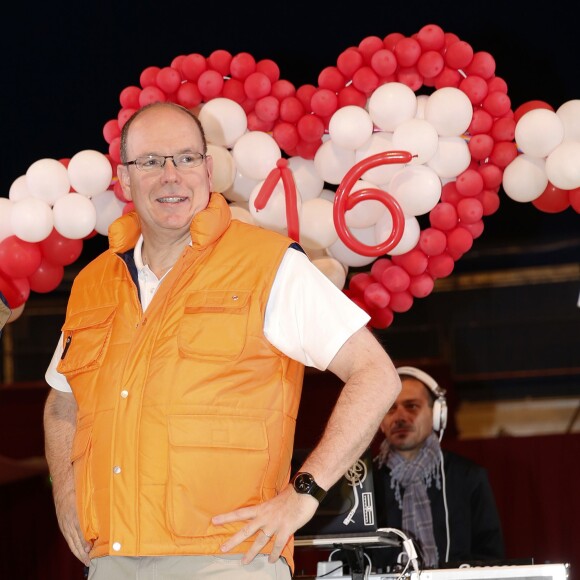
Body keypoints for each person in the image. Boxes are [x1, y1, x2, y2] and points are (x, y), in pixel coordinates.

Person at [43, 101, 402, 580]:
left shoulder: (267, 264)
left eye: (186, 158)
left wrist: (303, 496)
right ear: (124, 180)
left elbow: (376, 375)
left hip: (230, 559)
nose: (171, 175)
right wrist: (67, 498)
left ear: (208, 170)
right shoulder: (93, 283)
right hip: (112, 560)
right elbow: (62, 403)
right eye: (151, 161)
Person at [372, 366, 504, 570]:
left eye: (411, 406)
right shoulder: (365, 482)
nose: (399, 417)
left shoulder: (468, 476)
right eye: (390, 408)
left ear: (436, 415)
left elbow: (490, 556)